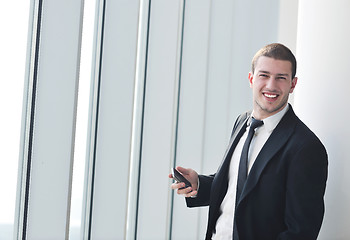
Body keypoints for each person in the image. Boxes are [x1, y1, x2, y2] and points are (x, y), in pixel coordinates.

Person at [169, 43, 328, 240]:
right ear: (251, 79)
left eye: (281, 78)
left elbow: (301, 231)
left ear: (293, 84)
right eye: (264, 75)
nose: (271, 85)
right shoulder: (242, 121)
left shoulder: (306, 147)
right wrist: (199, 184)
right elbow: (239, 187)